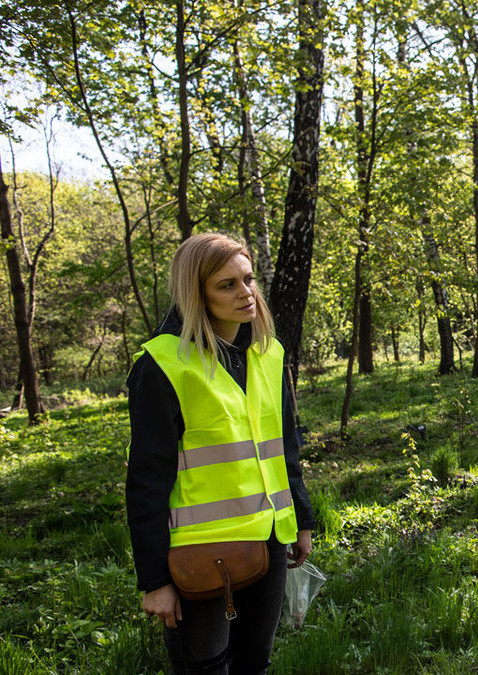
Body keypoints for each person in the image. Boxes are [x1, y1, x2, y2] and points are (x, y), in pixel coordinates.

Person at [126, 233, 317, 674]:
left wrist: (301, 520)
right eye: (226, 285)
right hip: (199, 554)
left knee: (255, 663)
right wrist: (155, 580)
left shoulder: (268, 354)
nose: (245, 292)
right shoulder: (162, 365)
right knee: (207, 668)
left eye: (248, 279)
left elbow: (285, 448)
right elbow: (146, 480)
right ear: (198, 293)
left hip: (269, 539)